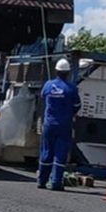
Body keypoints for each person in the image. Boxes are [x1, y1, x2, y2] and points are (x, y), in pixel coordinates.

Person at [37, 57, 82, 191]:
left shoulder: (48, 85)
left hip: (49, 124)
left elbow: (42, 97)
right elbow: (77, 106)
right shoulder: (72, 88)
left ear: (56, 71)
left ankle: (42, 181)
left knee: (46, 151)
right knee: (60, 152)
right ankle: (56, 182)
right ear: (68, 73)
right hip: (64, 124)